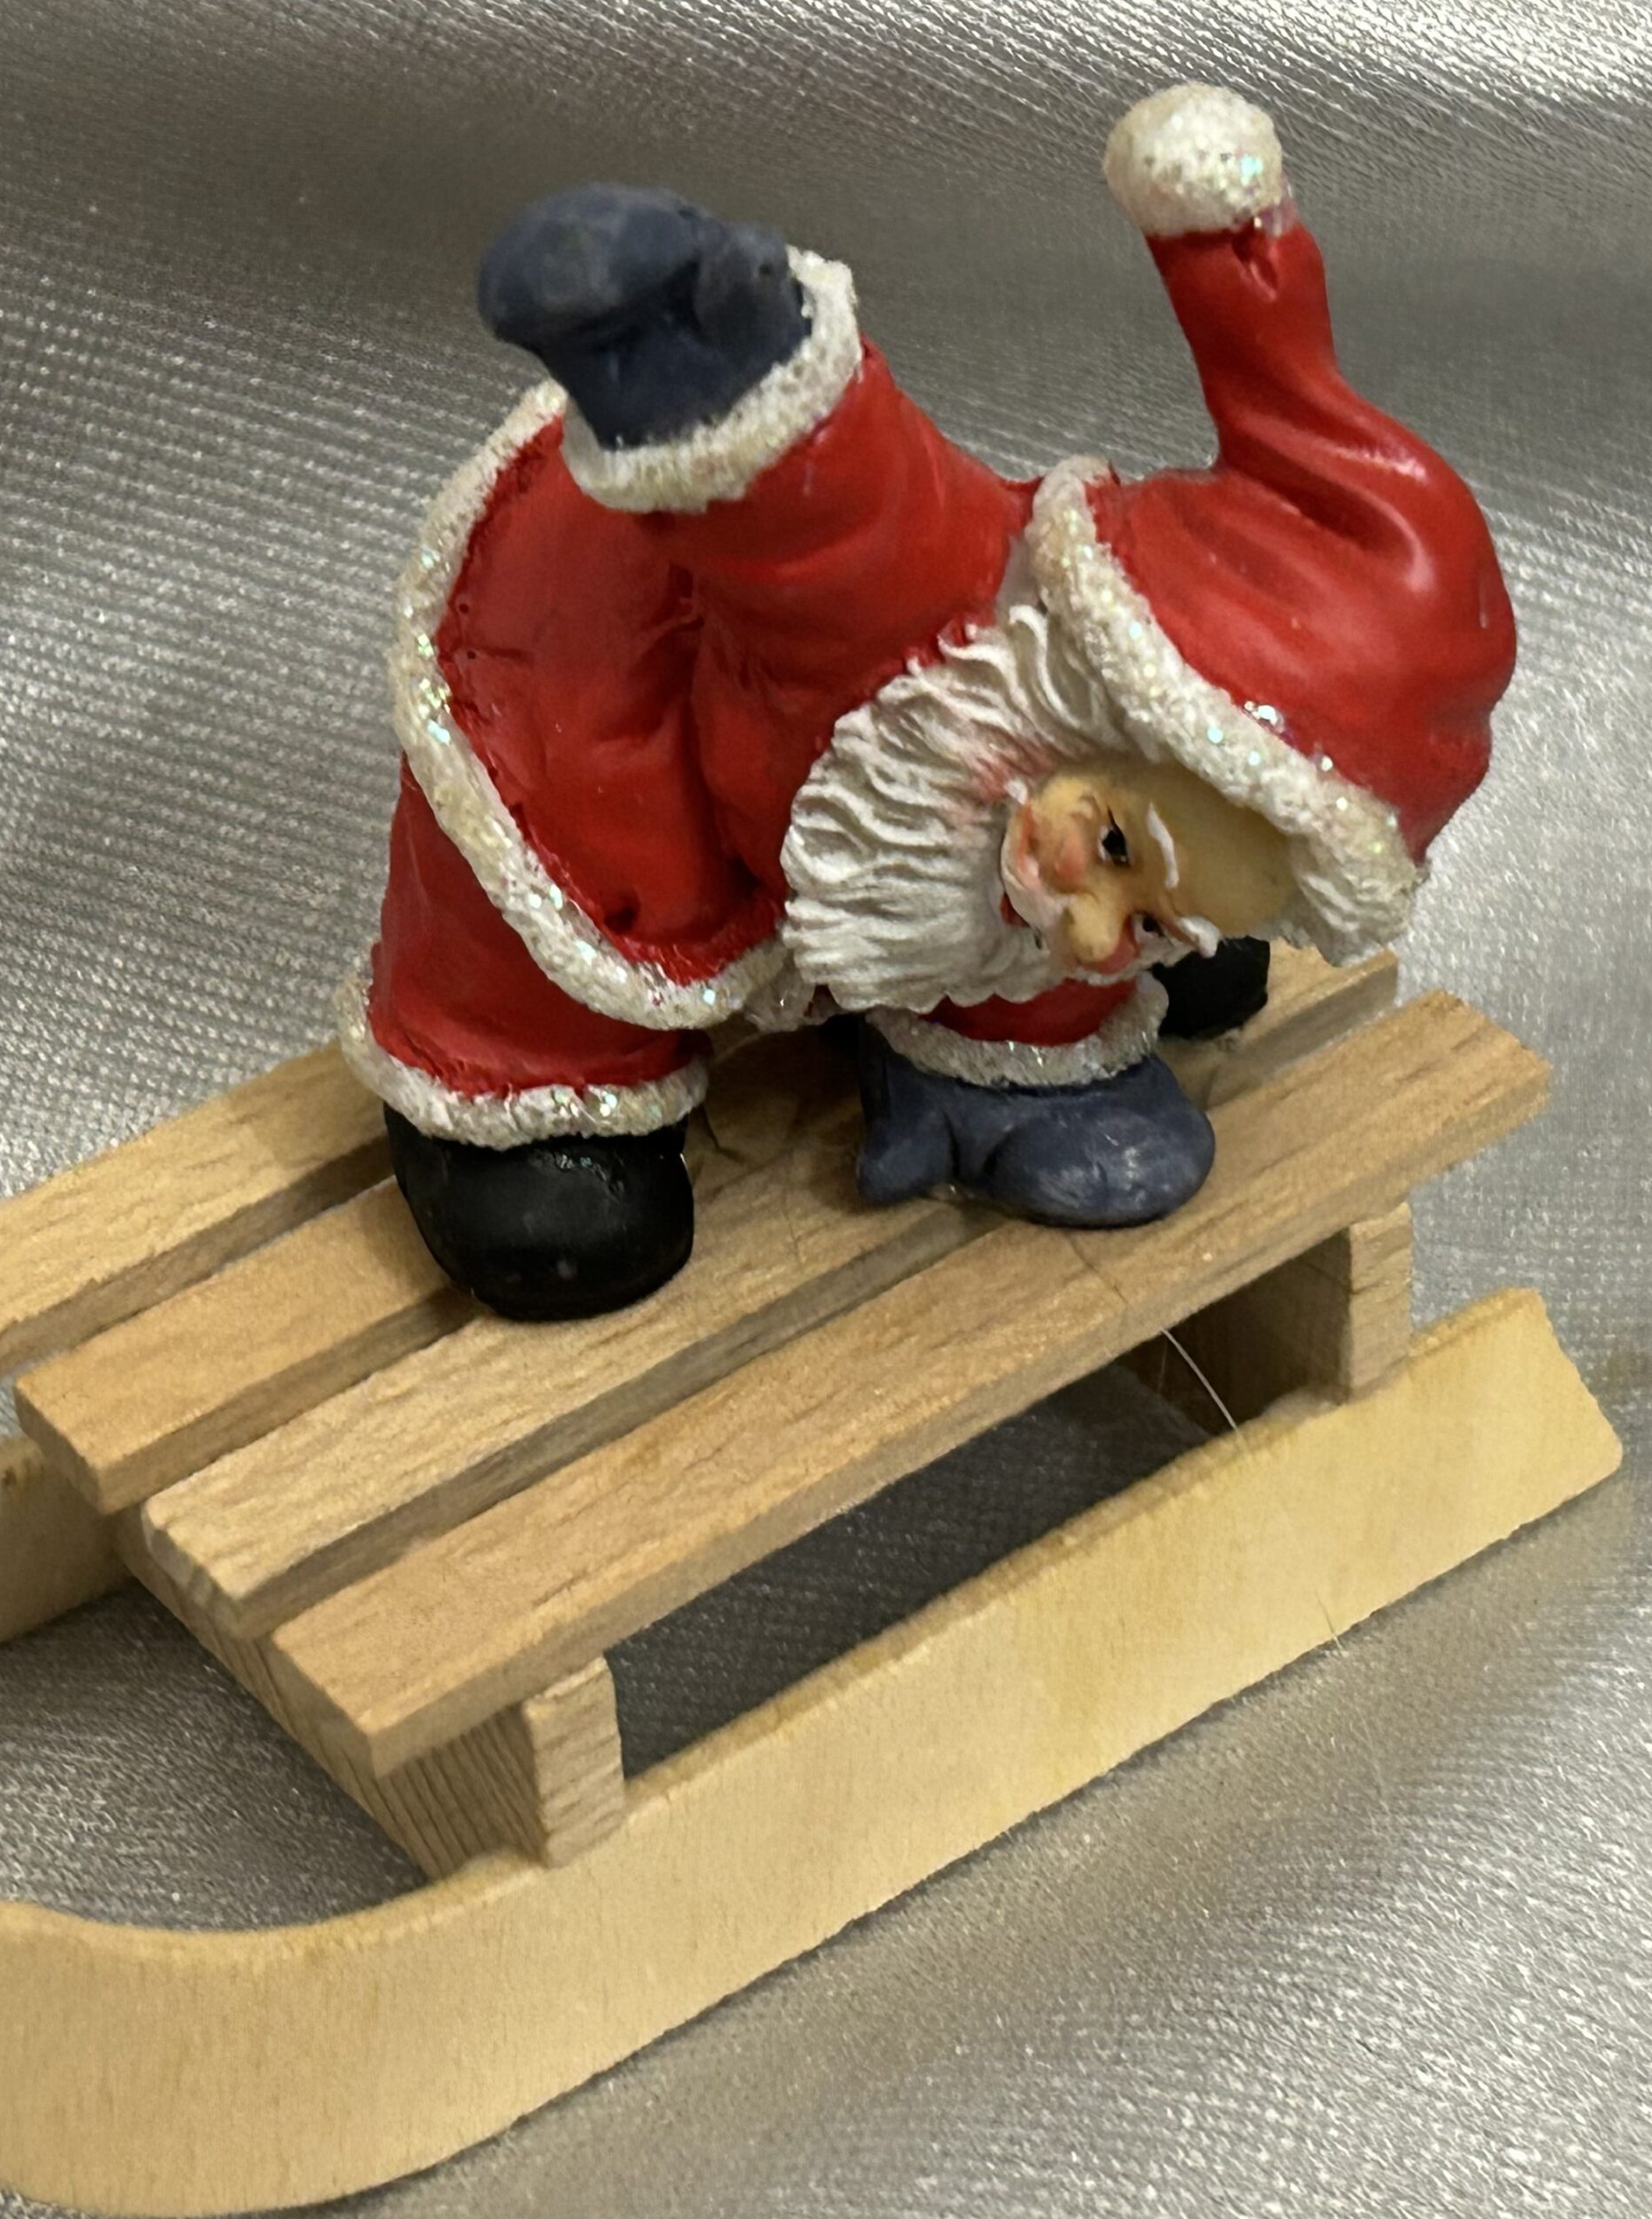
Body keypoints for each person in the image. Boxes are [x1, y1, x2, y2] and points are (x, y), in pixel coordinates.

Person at [339, 83, 1514, 1319]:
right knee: (557, 899)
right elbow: (834, 494)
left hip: (890, 848)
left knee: (1036, 942)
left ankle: (982, 1060)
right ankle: (512, 1098)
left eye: (1164, 918)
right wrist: (704, 355)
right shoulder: (929, 602)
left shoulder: (1065, 829)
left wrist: (1135, 927)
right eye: (1123, 857)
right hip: (618, 696)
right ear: (1115, 699)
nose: (1100, 931)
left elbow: (1075, 896)